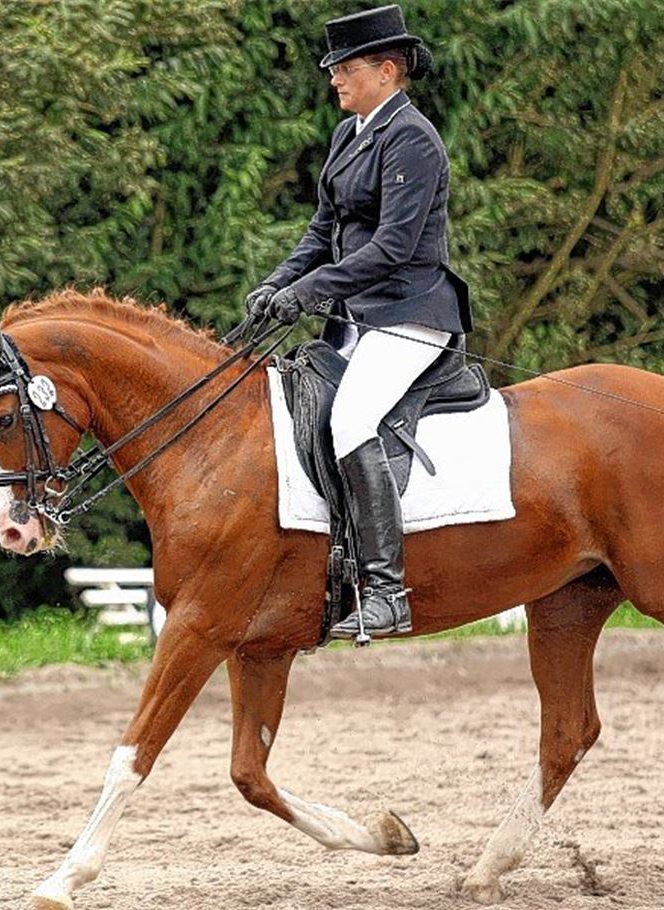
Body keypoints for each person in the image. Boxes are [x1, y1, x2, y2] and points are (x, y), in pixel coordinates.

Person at [246, 4, 473, 639]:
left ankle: (385, 590)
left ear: (387, 69)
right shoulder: (351, 136)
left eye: (345, 68)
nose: (335, 80)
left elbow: (393, 247)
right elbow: (323, 230)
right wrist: (277, 285)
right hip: (356, 319)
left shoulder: (412, 138)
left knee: (350, 420)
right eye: (334, 69)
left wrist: (309, 291)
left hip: (410, 314)